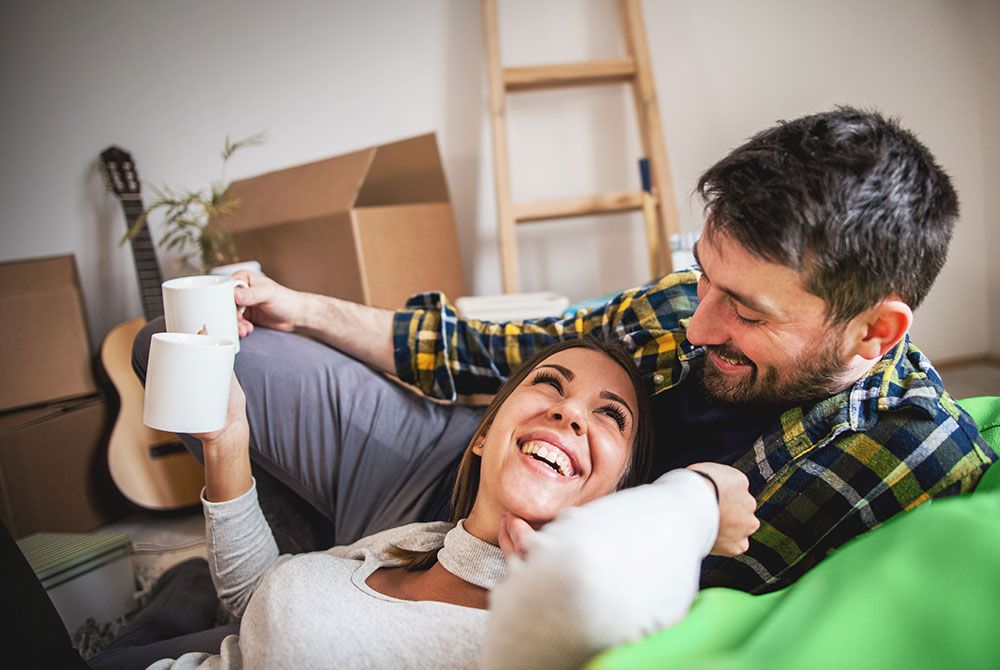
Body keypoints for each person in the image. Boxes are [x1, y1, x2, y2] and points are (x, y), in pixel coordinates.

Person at [132, 106, 996, 598]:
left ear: (875, 332)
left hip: (503, 575)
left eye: (744, 311)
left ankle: (266, 583)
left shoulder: (908, 450)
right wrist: (305, 308)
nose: (698, 327)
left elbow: (709, 595)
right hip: (449, 461)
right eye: (704, 278)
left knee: (237, 620)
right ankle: (298, 556)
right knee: (189, 361)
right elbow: (486, 349)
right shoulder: (677, 311)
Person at [91, 337, 752, 669]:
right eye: (550, 384)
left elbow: (675, 541)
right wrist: (228, 443)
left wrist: (696, 493)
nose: (568, 412)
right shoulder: (407, 542)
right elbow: (256, 615)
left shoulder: (559, 635)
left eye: (610, 417)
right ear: (484, 436)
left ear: (617, 494)